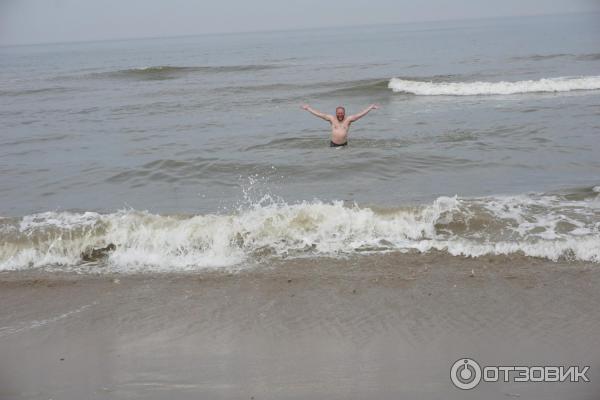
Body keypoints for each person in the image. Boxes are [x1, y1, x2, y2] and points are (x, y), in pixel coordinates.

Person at [301, 104, 378, 147]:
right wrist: (308, 108)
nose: (340, 115)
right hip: (333, 145)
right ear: (336, 113)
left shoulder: (348, 120)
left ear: (344, 113)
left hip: (344, 145)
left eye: (341, 113)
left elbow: (360, 115)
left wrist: (370, 107)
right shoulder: (332, 119)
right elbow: (320, 114)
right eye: (338, 113)